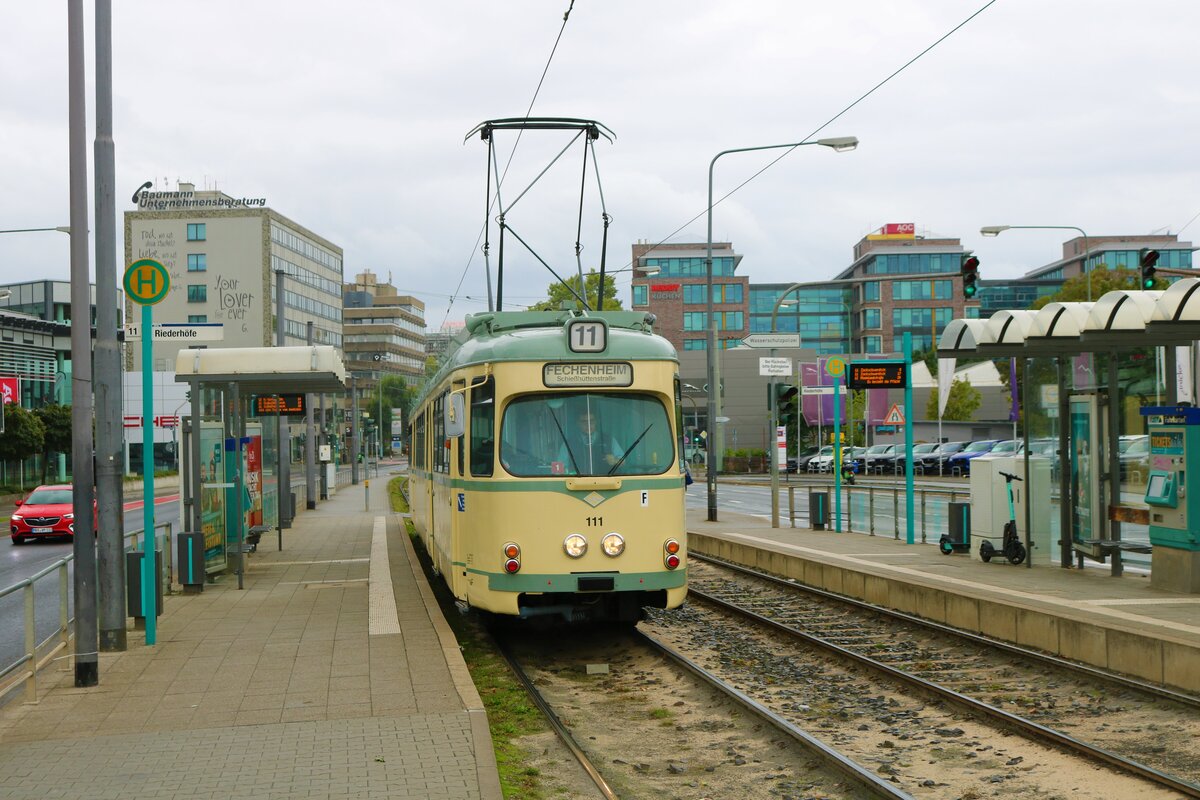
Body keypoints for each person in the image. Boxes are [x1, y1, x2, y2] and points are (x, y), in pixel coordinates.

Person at [554, 407, 623, 474]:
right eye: (584, 421)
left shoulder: (609, 440)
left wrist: (614, 460)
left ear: (596, 421)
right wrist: (566, 472)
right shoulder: (568, 443)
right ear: (578, 423)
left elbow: (623, 461)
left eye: (591, 421)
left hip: (606, 483)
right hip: (576, 483)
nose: (588, 425)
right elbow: (557, 469)